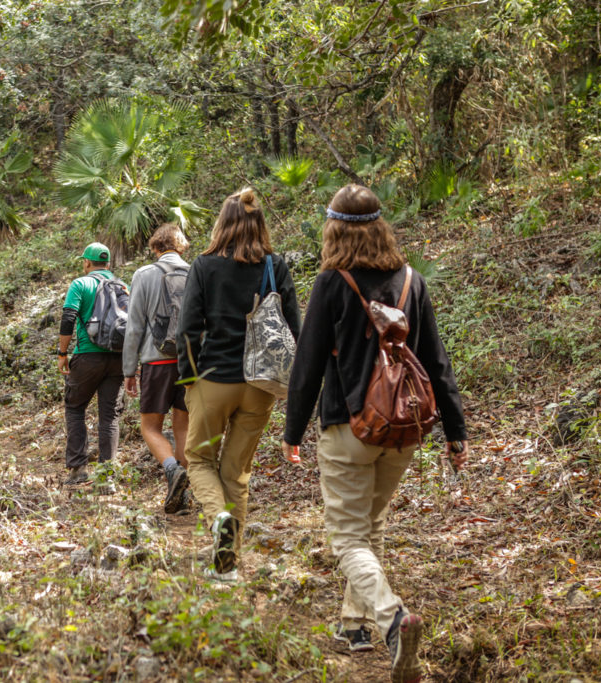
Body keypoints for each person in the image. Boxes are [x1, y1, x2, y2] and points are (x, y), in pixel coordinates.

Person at [282, 184, 469, 683]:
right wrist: (456, 431)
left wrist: (292, 431)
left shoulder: (331, 283)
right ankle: (354, 626)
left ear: (333, 228)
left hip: (349, 427)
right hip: (405, 429)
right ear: (383, 226)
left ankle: (390, 620)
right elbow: (436, 361)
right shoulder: (413, 281)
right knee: (372, 522)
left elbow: (309, 363)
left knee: (347, 536)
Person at [176, 188, 301, 582]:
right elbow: (294, 329)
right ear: (259, 224)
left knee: (197, 460)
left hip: (213, 379)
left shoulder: (205, 265)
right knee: (237, 473)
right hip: (260, 386)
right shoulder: (275, 266)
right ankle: (226, 567)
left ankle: (218, 520)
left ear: (222, 223)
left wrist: (188, 378)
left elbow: (188, 330)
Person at [122, 223, 192, 514]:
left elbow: (135, 324)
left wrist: (129, 369)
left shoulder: (145, 274)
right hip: (190, 363)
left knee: (150, 426)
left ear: (155, 248)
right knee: (183, 425)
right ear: (182, 246)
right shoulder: (195, 272)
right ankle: (184, 495)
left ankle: (172, 469)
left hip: (157, 360)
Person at [57, 242, 126, 490]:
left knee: (75, 407)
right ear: (108, 263)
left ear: (87, 262)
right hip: (117, 358)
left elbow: (68, 317)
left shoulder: (80, 283)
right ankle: (107, 477)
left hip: (87, 356)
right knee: (110, 416)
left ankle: (78, 469)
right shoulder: (121, 285)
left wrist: (62, 352)